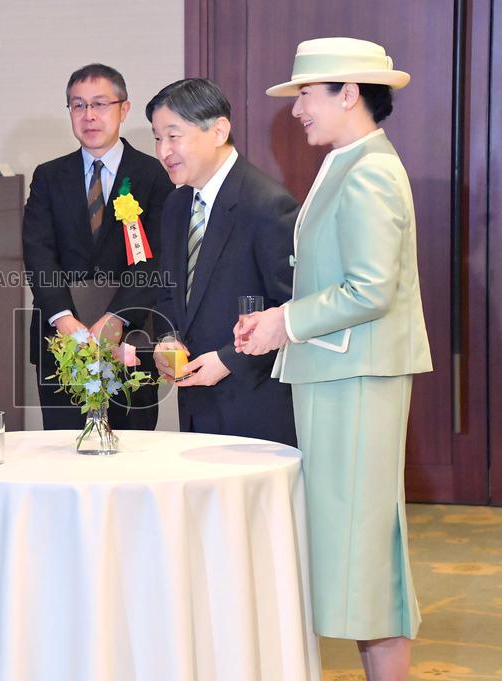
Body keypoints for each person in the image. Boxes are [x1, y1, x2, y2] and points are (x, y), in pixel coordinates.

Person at [239, 38, 432, 680]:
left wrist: (284, 322)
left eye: (306, 94)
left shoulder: (370, 168)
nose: (297, 110)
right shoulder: (350, 160)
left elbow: (371, 289)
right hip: (337, 377)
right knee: (354, 555)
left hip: (355, 380)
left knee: (361, 559)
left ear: (349, 92)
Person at [147, 78, 298, 446]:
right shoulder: (177, 204)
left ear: (218, 130)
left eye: (173, 135)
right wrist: (166, 339)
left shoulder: (266, 204)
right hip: (196, 404)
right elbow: (169, 294)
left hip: (255, 404)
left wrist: (229, 360)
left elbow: (291, 309)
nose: (163, 151)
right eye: (156, 138)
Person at [22, 63, 172, 431]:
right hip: (62, 340)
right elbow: (38, 251)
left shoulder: (155, 176)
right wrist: (64, 320)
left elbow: (156, 262)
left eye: (100, 104)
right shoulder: (49, 176)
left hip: (131, 335)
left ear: (124, 109)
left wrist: (115, 318)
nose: (89, 116)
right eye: (78, 105)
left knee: (132, 453)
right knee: (62, 452)